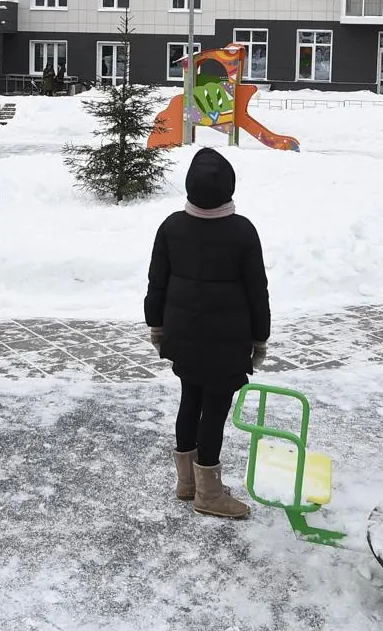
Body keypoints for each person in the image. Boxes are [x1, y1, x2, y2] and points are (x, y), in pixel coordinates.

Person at [145, 148, 270, 519]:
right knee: (213, 411)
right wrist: (259, 339)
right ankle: (209, 495)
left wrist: (157, 326)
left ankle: (188, 483)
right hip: (227, 343)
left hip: (183, 338)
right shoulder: (242, 230)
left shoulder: (171, 226)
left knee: (190, 401)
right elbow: (256, 290)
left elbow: (157, 283)